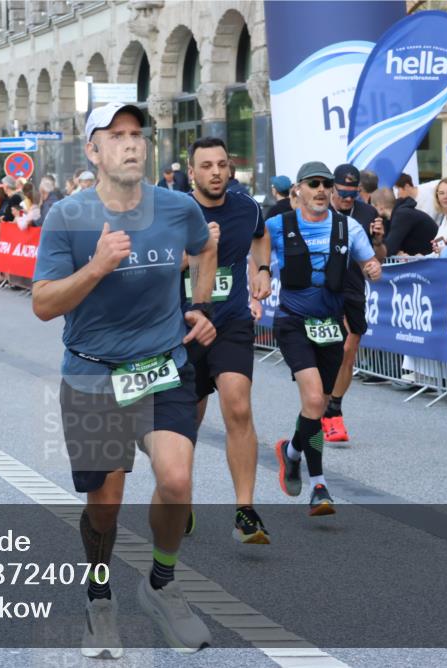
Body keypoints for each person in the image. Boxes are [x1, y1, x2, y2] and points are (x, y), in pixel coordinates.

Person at [32, 102, 218, 656]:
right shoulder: (68, 216)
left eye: (137, 134)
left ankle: (161, 583)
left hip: (163, 368)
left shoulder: (177, 206)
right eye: (116, 135)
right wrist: (96, 267)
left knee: (177, 479)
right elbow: (43, 304)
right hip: (93, 373)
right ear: (94, 150)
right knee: (105, 505)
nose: (132, 143)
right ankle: (99, 595)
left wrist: (201, 305)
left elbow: (206, 246)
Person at [267, 162, 382, 515]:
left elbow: (370, 261)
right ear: (297, 190)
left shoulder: (347, 227)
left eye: (325, 184)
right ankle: (319, 485)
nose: (320, 189)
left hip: (330, 324)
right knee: (315, 399)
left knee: (317, 404)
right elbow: (254, 252)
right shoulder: (277, 225)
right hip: (293, 321)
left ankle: (291, 451)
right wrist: (258, 273)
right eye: (313, 183)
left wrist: (373, 266)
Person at [183, 137, 273, 543]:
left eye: (221, 164)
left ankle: (245, 511)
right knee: (187, 419)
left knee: (237, 406)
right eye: (206, 166)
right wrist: (200, 249)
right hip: (183, 324)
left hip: (231, 321)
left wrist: (263, 269)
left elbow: (260, 235)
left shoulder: (246, 206)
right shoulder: (177, 211)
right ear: (192, 173)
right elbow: (157, 262)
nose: (216, 172)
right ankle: (179, 496)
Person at [321, 164, 382, 443]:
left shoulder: (367, 213)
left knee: (349, 348)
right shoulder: (320, 210)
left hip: (354, 287)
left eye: (352, 194)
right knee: (335, 346)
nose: (347, 199)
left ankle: (333, 407)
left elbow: (379, 256)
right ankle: (324, 407)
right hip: (324, 287)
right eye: (342, 193)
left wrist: (378, 241)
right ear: (333, 187)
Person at [373, 177, 438, 256]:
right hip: (427, 257)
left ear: (380, 207)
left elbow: (388, 250)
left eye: (373, 206)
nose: (372, 211)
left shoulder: (402, 215)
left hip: (433, 258)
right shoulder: (396, 216)